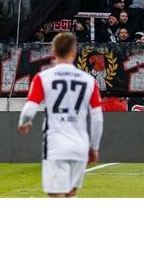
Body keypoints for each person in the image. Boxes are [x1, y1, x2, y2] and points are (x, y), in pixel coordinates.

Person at [18, 31, 104, 198]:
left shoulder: (43, 78)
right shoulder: (89, 80)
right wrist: (94, 147)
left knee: (57, 195)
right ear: (74, 53)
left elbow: (29, 108)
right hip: (80, 145)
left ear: (53, 52)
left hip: (56, 145)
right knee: (71, 195)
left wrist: (24, 122)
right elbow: (97, 118)